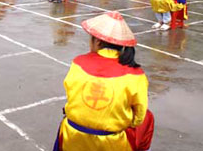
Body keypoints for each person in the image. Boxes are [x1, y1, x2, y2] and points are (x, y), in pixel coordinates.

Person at [52, 11, 154, 151]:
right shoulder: (136, 74)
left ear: (98, 42)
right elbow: (139, 117)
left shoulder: (78, 62)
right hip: (112, 142)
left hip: (73, 136)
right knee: (147, 118)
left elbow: (71, 95)